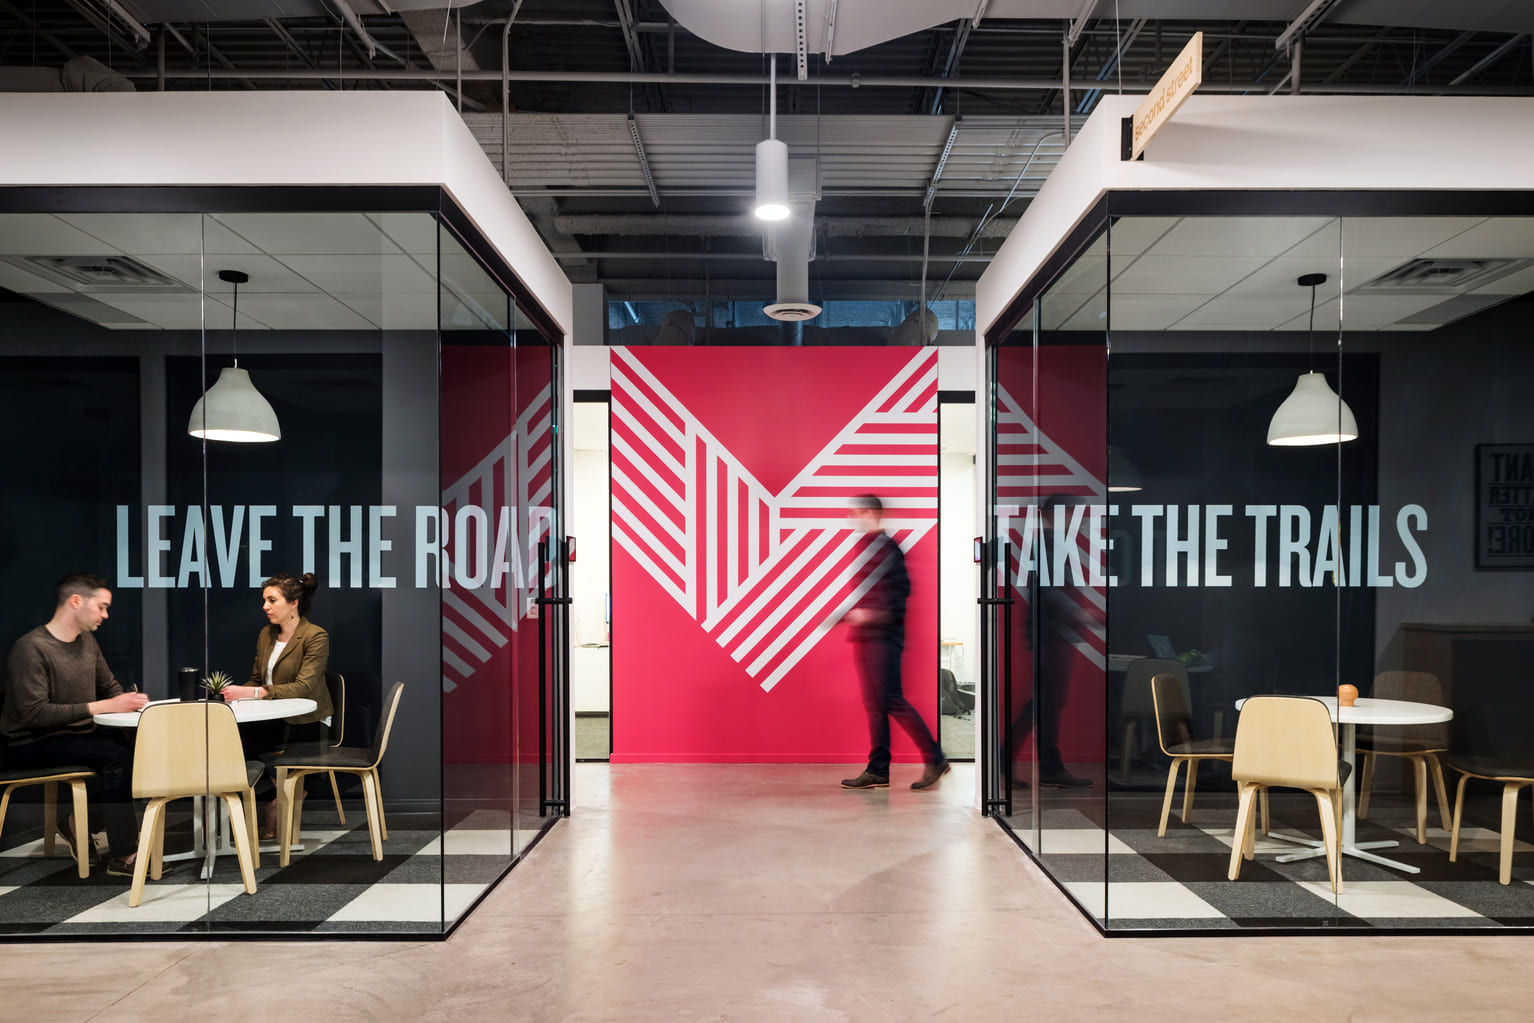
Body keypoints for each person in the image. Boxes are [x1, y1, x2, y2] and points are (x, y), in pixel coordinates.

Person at [1, 573, 148, 876]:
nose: (106, 615)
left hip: (75, 735)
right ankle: (124, 856)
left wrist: (128, 702)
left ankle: (76, 823)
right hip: (31, 743)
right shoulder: (31, 648)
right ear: (76, 601)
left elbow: (109, 687)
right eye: (102, 607)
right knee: (116, 757)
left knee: (133, 749)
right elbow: (35, 714)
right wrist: (107, 706)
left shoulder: (87, 642)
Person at [840, 495, 949, 791]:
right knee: (876, 704)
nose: (852, 517)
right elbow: (871, 592)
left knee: (892, 701)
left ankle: (935, 758)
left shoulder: (887, 549)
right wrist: (854, 614)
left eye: (857, 512)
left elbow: (898, 595)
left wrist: (869, 614)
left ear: (871, 513)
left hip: (882, 639)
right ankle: (878, 769)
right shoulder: (867, 546)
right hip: (869, 638)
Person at [221, 571, 332, 839]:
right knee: (227, 738)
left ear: (293, 603)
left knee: (245, 741)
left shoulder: (316, 636)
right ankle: (271, 797)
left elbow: (303, 688)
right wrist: (236, 693)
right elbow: (258, 679)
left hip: (309, 721)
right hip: (275, 718)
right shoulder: (266, 634)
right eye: (264, 600)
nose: (265, 606)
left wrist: (253, 693)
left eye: (272, 600)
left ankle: (279, 799)